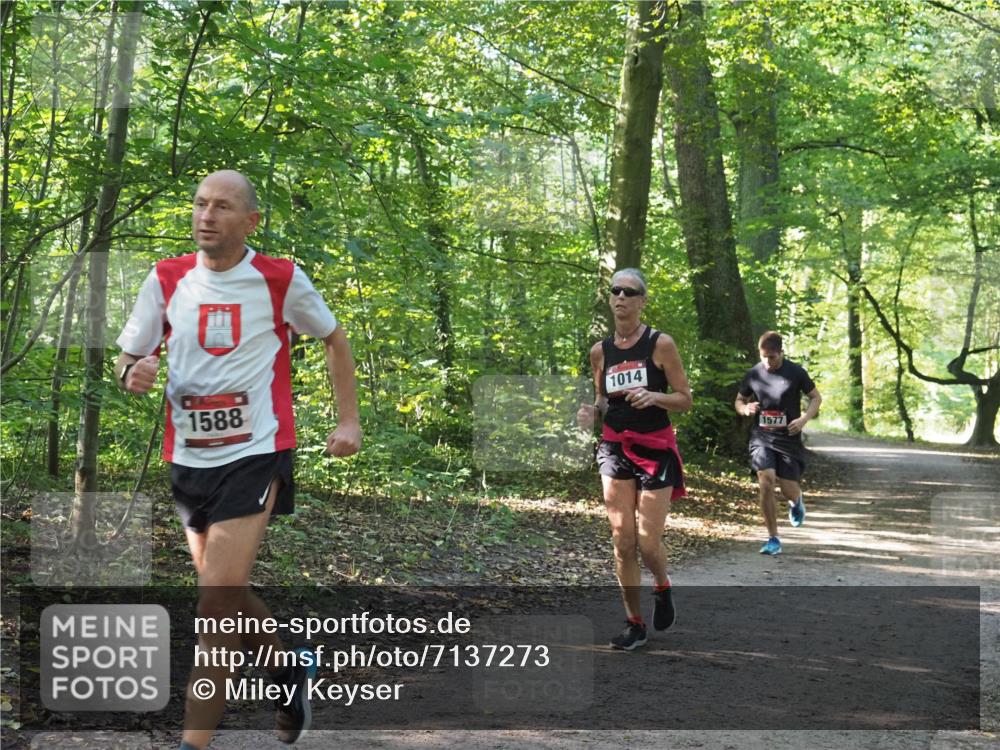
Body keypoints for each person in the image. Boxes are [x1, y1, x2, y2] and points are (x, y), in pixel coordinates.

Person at [115, 170, 361, 749]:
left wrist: (348, 420)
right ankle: (287, 673)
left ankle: (192, 744)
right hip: (188, 457)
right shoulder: (166, 277)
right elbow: (128, 358)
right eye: (200, 203)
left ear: (250, 221)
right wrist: (132, 373)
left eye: (222, 207)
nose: (207, 215)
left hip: (255, 452)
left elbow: (334, 337)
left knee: (216, 605)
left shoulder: (280, 278)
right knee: (222, 590)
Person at [577, 268, 692, 651]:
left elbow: (685, 399)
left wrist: (655, 396)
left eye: (630, 292)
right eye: (616, 291)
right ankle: (634, 624)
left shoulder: (661, 344)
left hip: (655, 448)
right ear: (610, 299)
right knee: (622, 542)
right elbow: (603, 400)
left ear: (642, 301)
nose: (622, 297)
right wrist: (591, 412)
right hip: (614, 448)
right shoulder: (600, 351)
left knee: (647, 543)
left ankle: (662, 585)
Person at [735, 331, 821, 556]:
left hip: (788, 438)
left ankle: (796, 501)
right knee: (766, 480)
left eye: (772, 357)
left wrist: (803, 419)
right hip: (761, 437)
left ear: (781, 353)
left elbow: (816, 397)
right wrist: (744, 408)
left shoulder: (796, 372)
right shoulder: (754, 373)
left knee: (788, 489)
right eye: (763, 357)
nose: (767, 362)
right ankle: (773, 538)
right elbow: (739, 399)